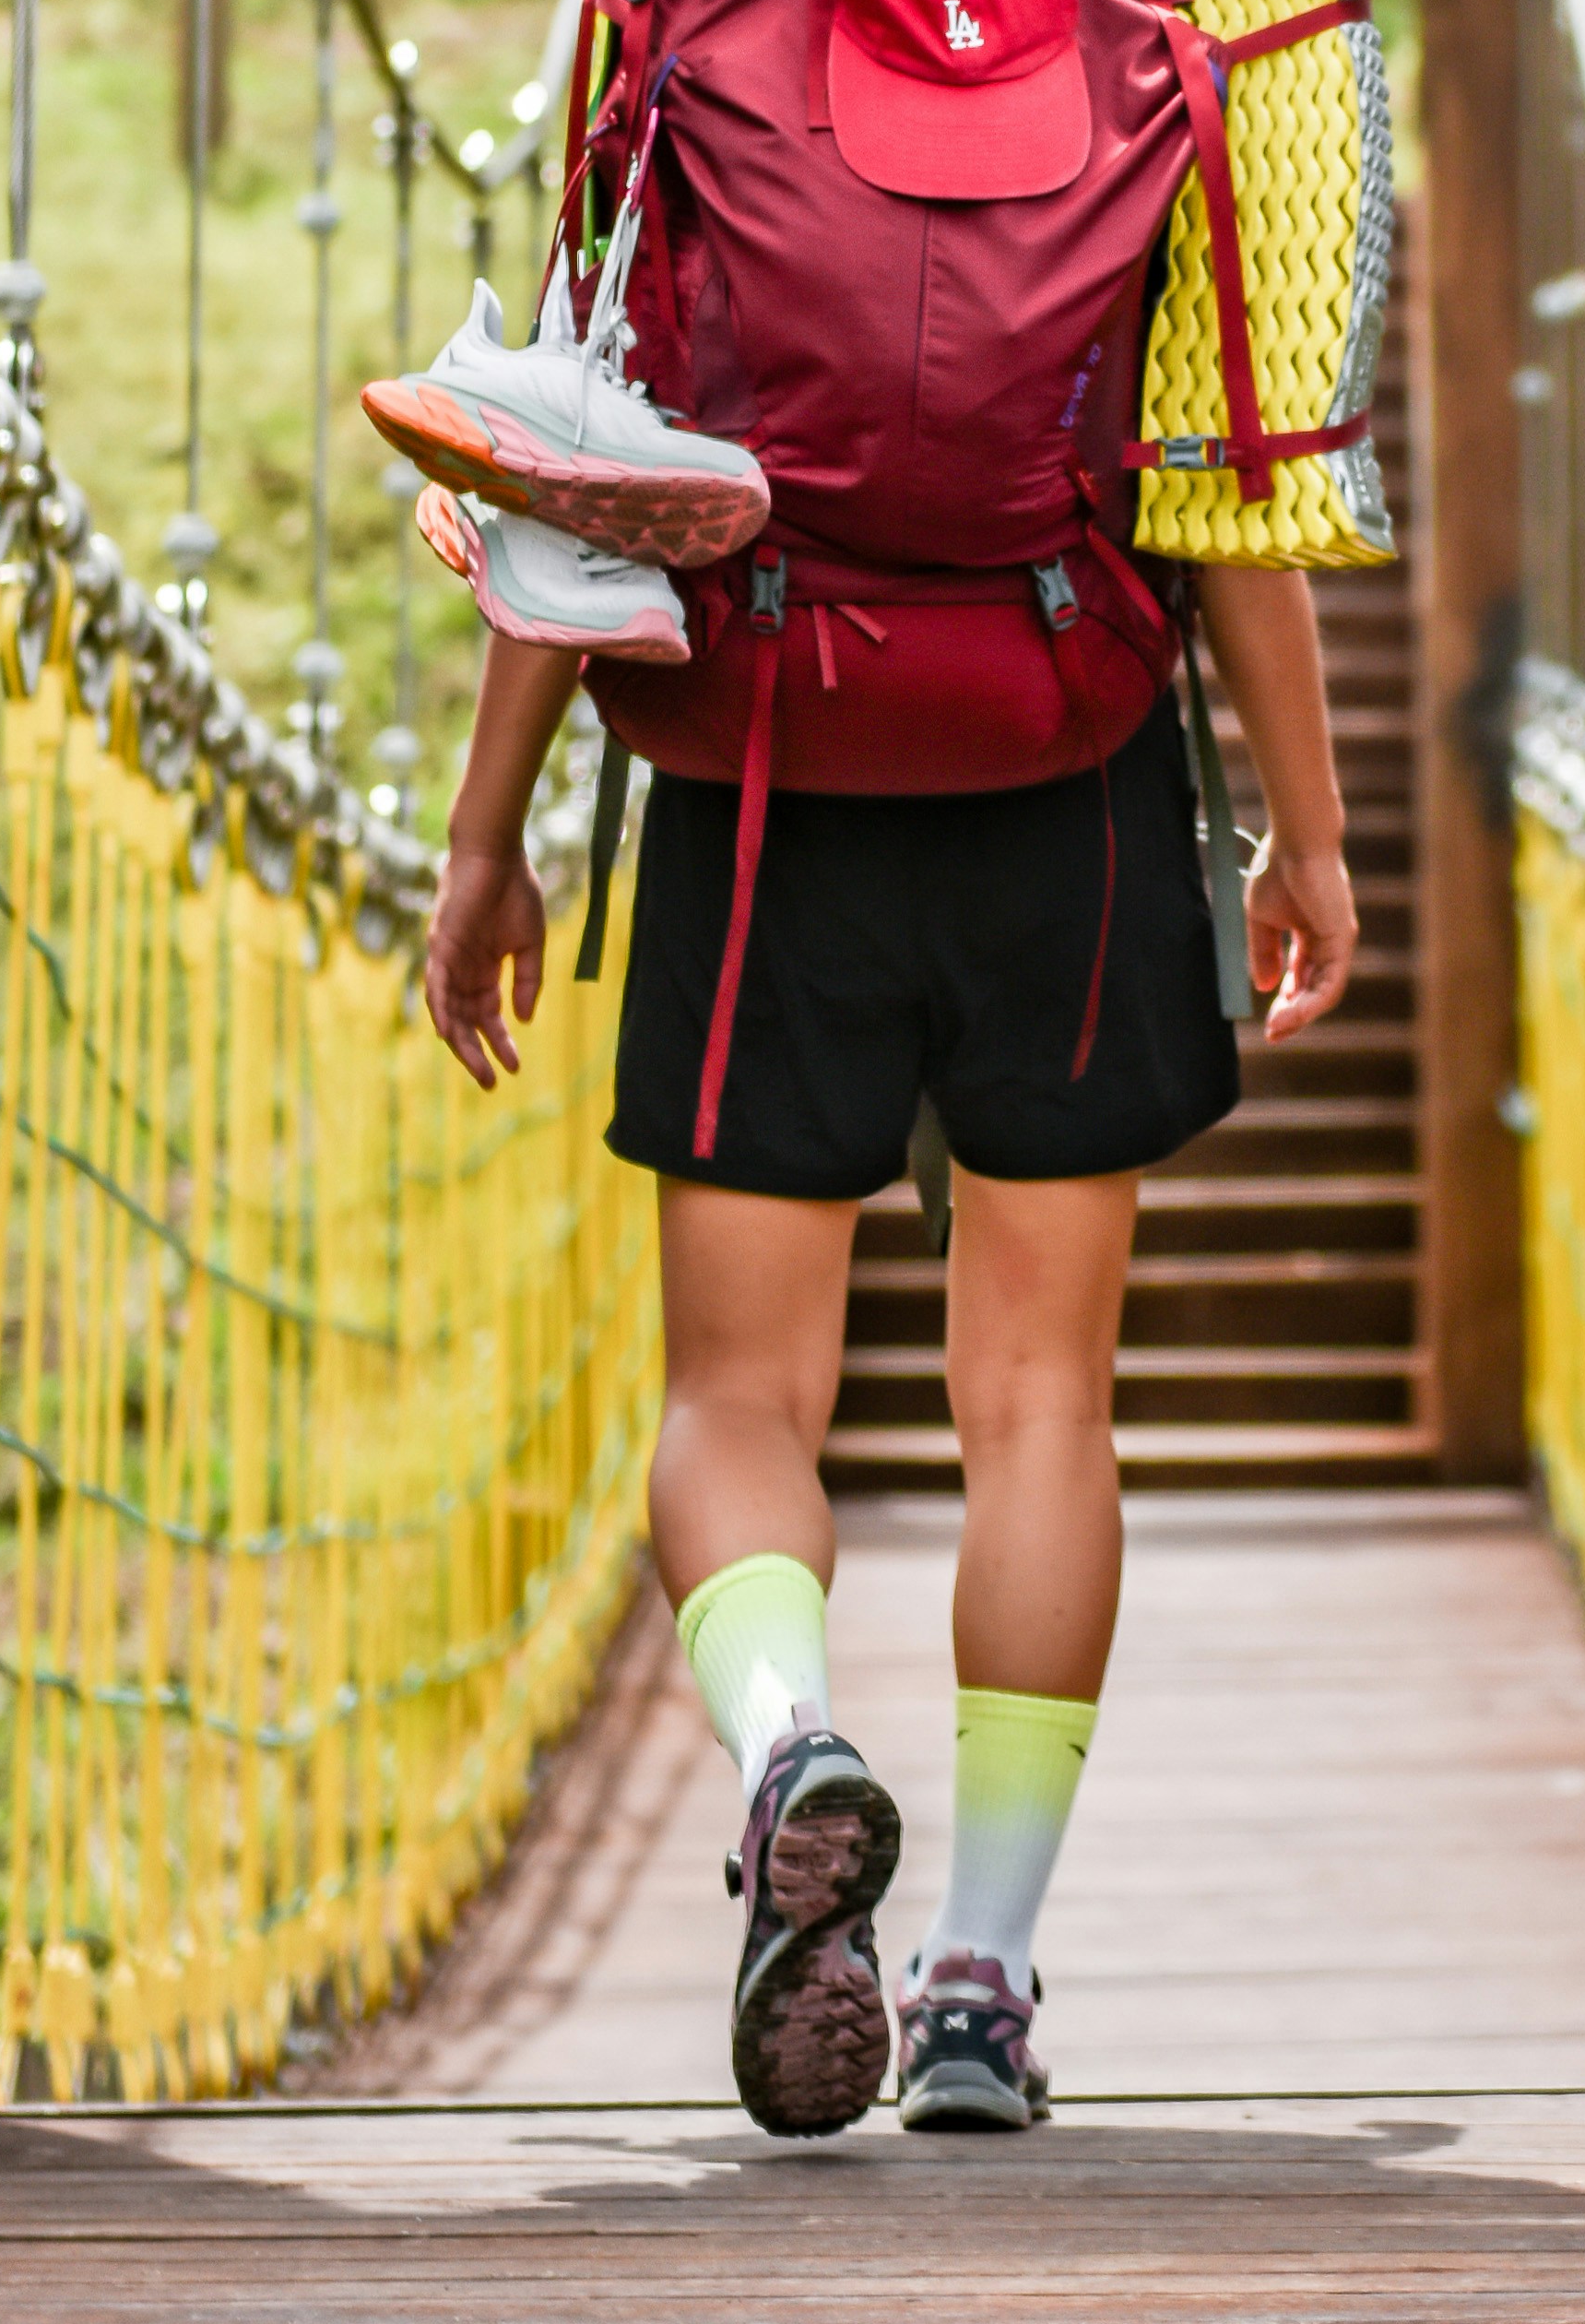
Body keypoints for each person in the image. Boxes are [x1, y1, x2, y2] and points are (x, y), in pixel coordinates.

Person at [420, 575, 1354, 2138]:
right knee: (1043, 1394)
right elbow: (1242, 506)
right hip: (1072, 782)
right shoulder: (1169, 297)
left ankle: (791, 1738)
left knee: (737, 1392)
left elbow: (569, 492)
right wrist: (1308, 832)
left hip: (765, 784)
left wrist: (484, 835)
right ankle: (981, 1979)